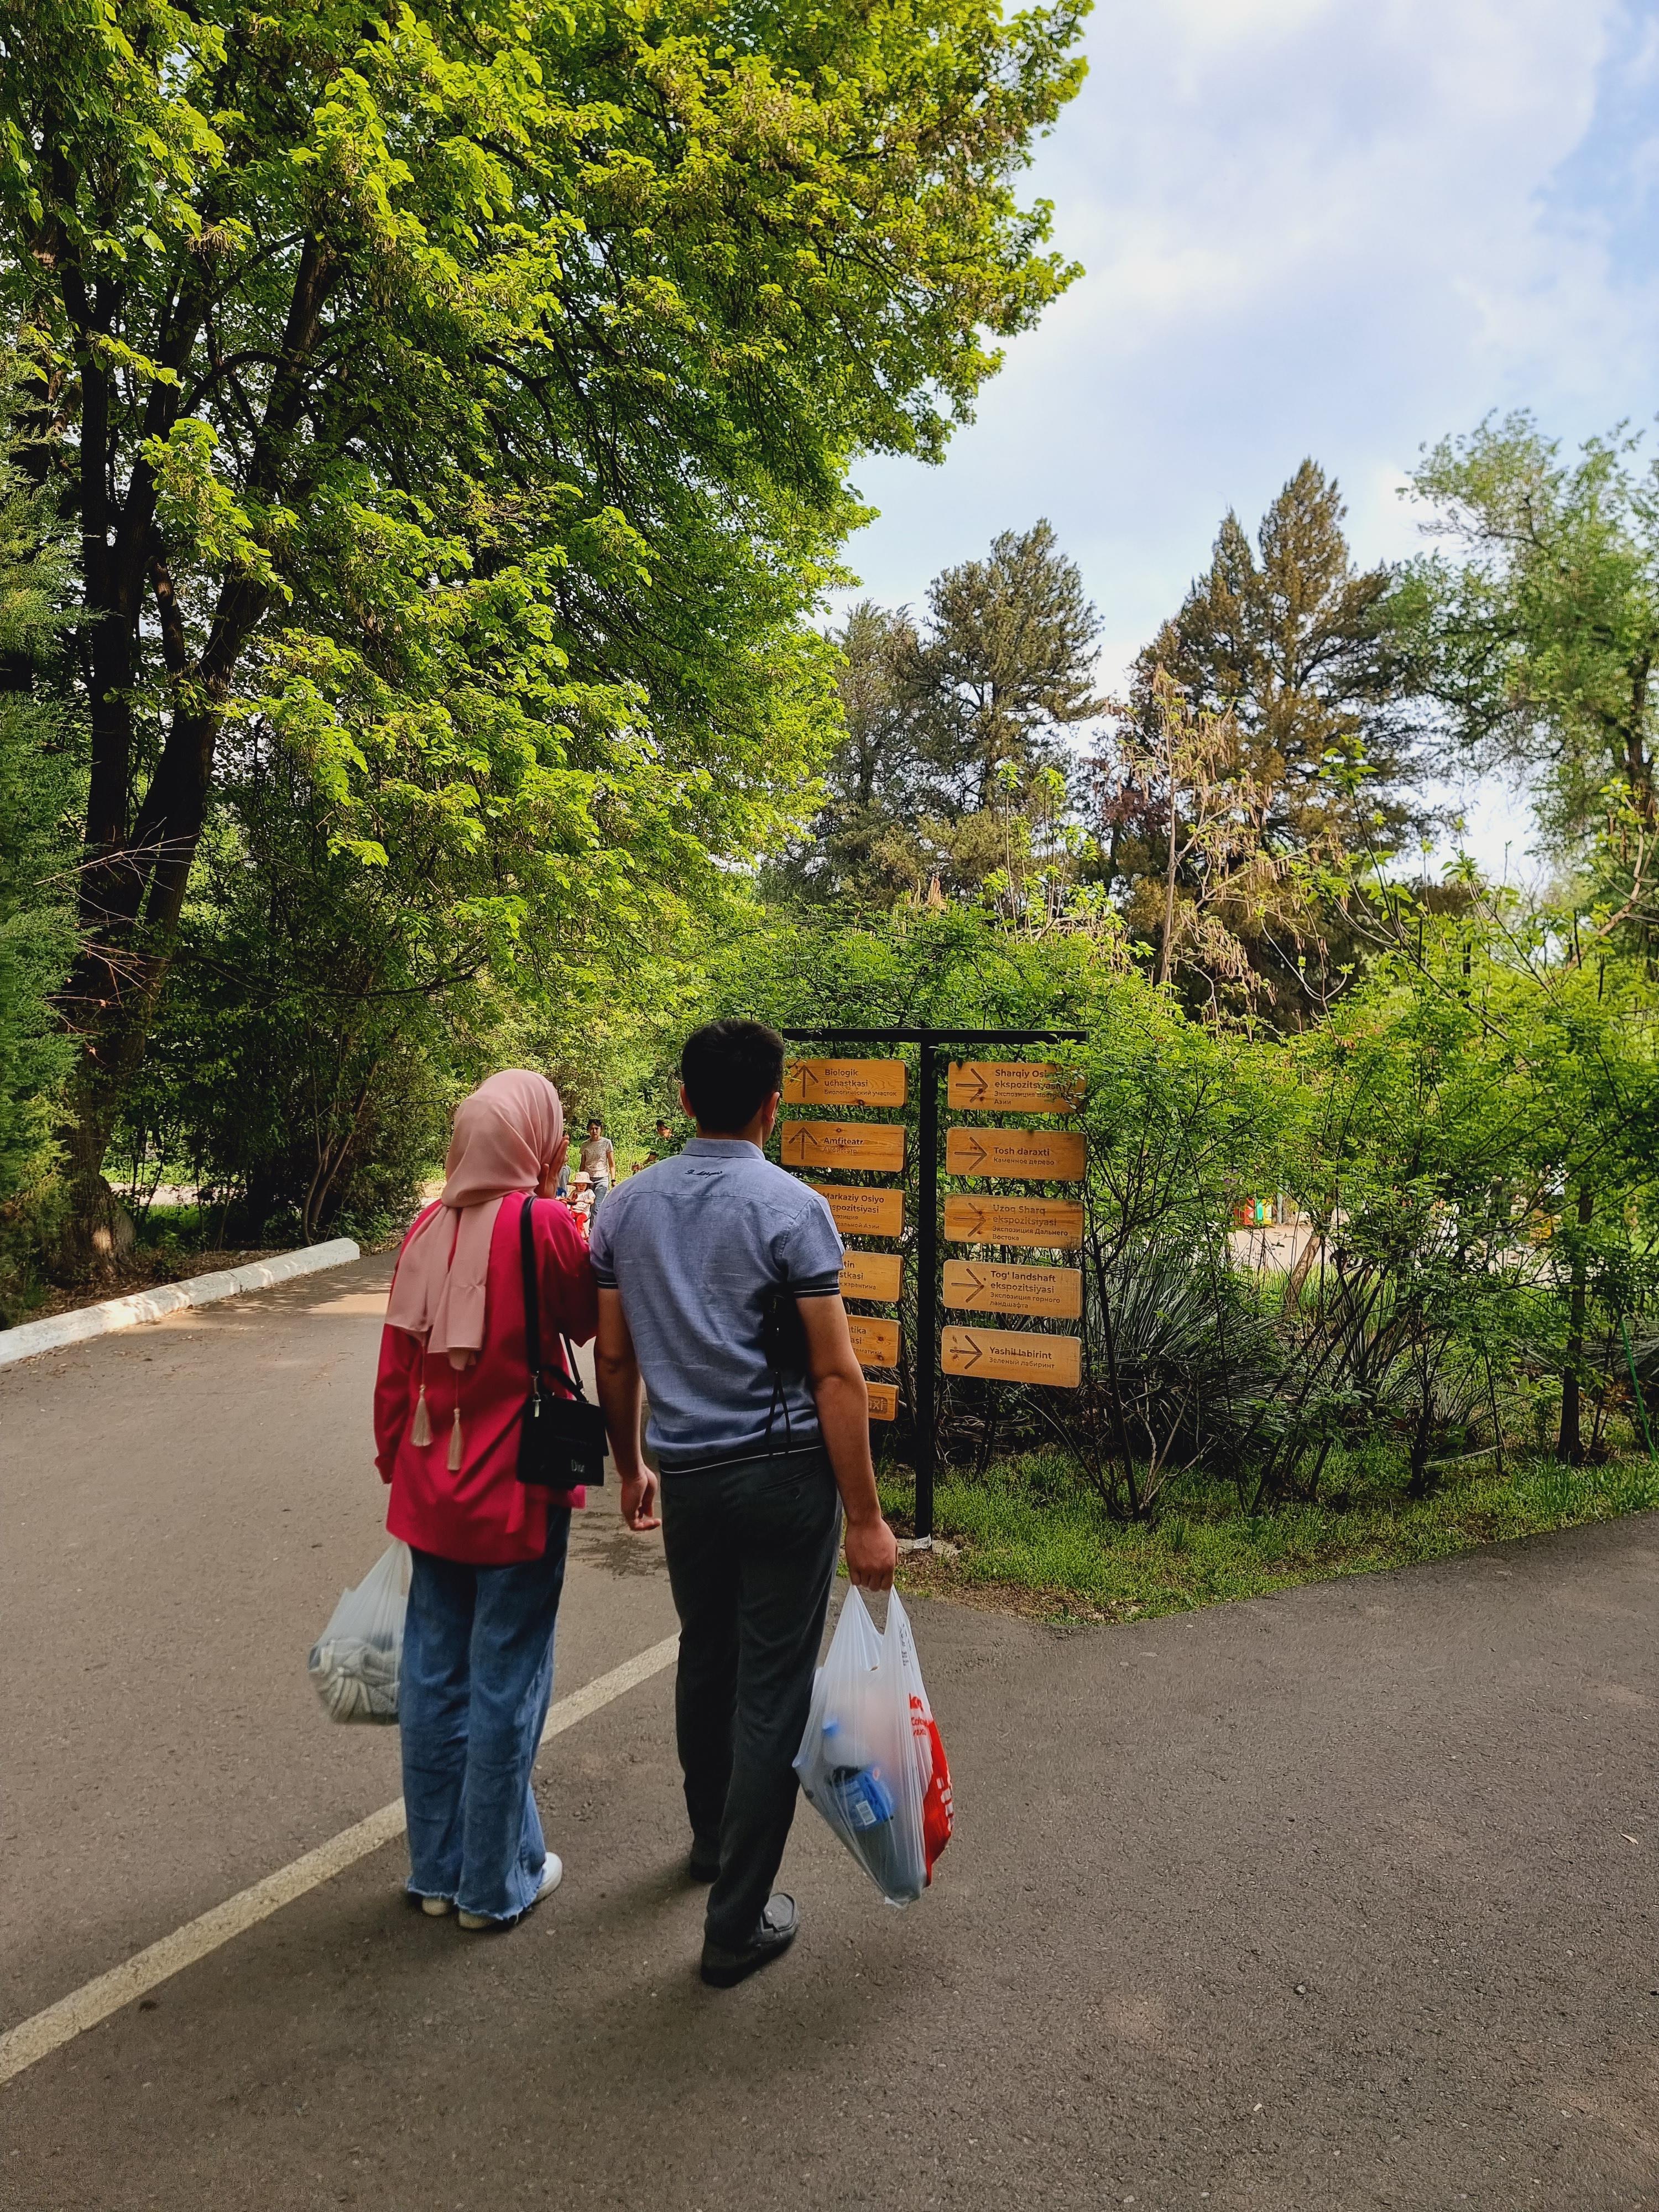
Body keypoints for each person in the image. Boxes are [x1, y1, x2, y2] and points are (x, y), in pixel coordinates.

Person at [591, 1018, 898, 1988]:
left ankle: (712, 1845)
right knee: (773, 1687)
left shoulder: (625, 1209)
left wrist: (630, 1462)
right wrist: (866, 1516)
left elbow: (613, 1353)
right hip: (783, 1477)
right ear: (777, 1104)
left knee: (707, 1657)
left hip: (689, 1476)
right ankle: (734, 1926)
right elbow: (836, 1376)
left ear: (683, 1099)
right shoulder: (793, 1208)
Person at [375, 1070, 597, 1929]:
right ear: (531, 1139)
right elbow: (583, 1321)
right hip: (519, 1489)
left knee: (434, 1677)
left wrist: (394, 1456)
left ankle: (436, 1873)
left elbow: (397, 1368)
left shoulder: (423, 1227)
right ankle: (493, 1885)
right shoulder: (543, 1223)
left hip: (432, 1489)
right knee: (508, 1682)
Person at [579, 1117, 615, 1215]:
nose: (594, 1131)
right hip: (588, 1179)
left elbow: (612, 1164)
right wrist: (580, 1180)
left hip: (602, 1178)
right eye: (591, 1129)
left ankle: (594, 1230)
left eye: (596, 1128)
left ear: (601, 1129)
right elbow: (583, 1164)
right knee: (587, 1205)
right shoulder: (585, 1144)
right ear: (588, 1130)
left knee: (596, 1207)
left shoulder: (606, 1143)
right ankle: (587, 1229)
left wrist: (613, 1179)